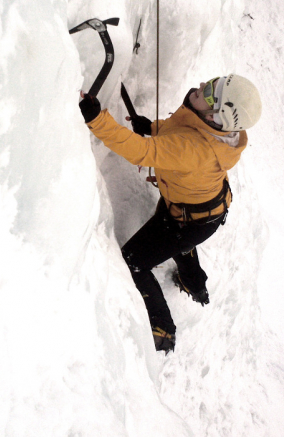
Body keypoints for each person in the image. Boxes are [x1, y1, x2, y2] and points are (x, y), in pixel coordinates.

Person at [79, 74, 262, 353]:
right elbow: (183, 129)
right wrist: (153, 127)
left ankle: (162, 326)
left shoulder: (194, 149)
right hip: (195, 209)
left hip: (190, 219)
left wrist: (97, 120)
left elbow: (141, 152)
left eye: (212, 92)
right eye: (212, 82)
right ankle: (194, 284)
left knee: (134, 262)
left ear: (217, 115)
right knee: (176, 239)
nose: (203, 86)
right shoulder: (214, 128)